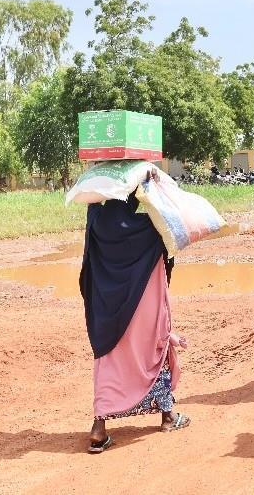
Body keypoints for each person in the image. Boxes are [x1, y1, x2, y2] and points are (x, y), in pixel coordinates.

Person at [82, 182, 190, 454]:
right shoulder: (148, 228)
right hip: (144, 308)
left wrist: (103, 183)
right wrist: (150, 185)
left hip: (107, 311)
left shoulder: (96, 221)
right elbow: (171, 232)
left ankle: (99, 427)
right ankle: (167, 416)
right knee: (154, 350)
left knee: (109, 361)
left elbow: (92, 203)